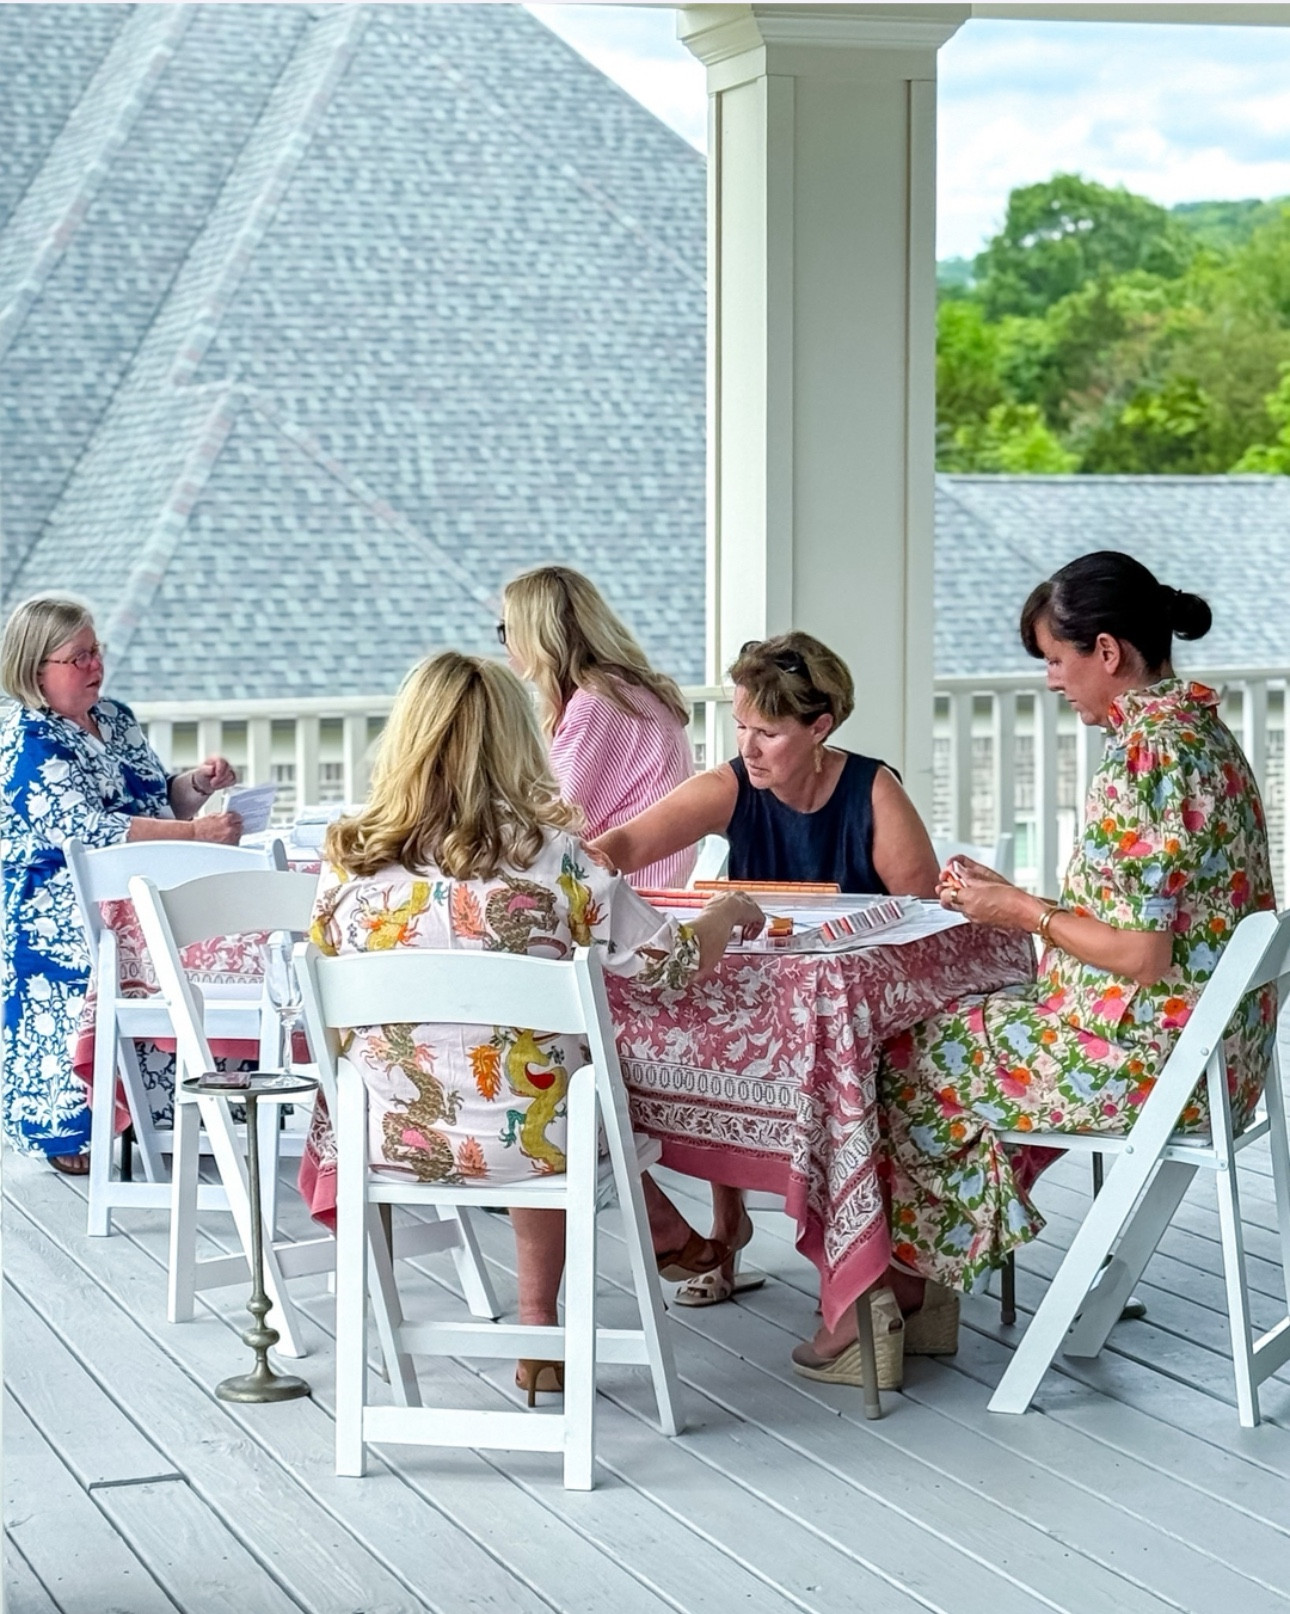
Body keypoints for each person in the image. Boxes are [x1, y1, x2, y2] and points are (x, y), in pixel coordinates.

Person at [792, 551, 1277, 1390]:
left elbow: (1142, 953)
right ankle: (923, 1286)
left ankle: (892, 1298)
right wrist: (1016, 899)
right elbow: (1150, 920)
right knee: (958, 1034)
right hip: (1221, 1058)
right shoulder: (1203, 734)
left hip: (1149, 1063)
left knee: (900, 1057)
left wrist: (1019, 911)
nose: (1052, 680)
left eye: (1057, 659)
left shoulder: (1145, 760)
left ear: (1107, 652)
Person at [308, 651, 764, 1401]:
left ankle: (493, 1334)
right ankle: (546, 1323)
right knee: (544, 1092)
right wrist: (725, 911)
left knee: (494, 1080)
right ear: (517, 744)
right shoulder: (557, 862)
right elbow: (670, 966)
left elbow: (311, 999)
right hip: (539, 1142)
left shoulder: (346, 865)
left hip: (389, 1140)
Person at [593, 631, 941, 1303]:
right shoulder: (734, 783)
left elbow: (922, 921)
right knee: (707, 1036)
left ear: (820, 727)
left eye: (769, 733)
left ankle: (865, 1261)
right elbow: (626, 844)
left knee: (761, 1042)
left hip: (855, 1006)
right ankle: (728, 1226)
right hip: (768, 998)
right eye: (741, 726)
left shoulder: (873, 791)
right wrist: (567, 873)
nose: (748, 748)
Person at [1, 594, 242, 1172]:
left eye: (96, 651)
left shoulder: (115, 718)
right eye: (78, 657)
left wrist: (196, 786)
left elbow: (154, 797)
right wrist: (195, 836)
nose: (96, 665)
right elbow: (89, 829)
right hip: (57, 906)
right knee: (98, 965)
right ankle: (71, 1132)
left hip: (138, 887)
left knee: (216, 936)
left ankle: (179, 1110)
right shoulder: (27, 738)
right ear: (36, 668)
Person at [499, 565, 697, 889]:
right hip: (652, 884)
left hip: (624, 893)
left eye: (507, 629)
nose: (505, 642)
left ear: (538, 636)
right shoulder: (626, 690)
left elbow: (556, 824)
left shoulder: (596, 705)